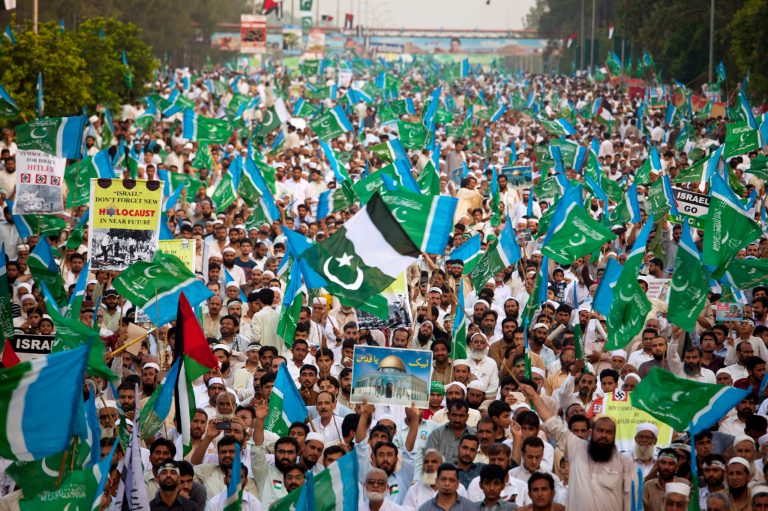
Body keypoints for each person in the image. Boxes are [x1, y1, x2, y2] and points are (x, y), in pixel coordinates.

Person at [520, 383, 635, 510]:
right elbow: (552, 423)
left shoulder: (625, 463)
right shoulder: (577, 447)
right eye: (600, 430)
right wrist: (535, 397)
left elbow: (630, 502)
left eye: (609, 432)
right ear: (592, 432)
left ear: (614, 435)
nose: (603, 435)